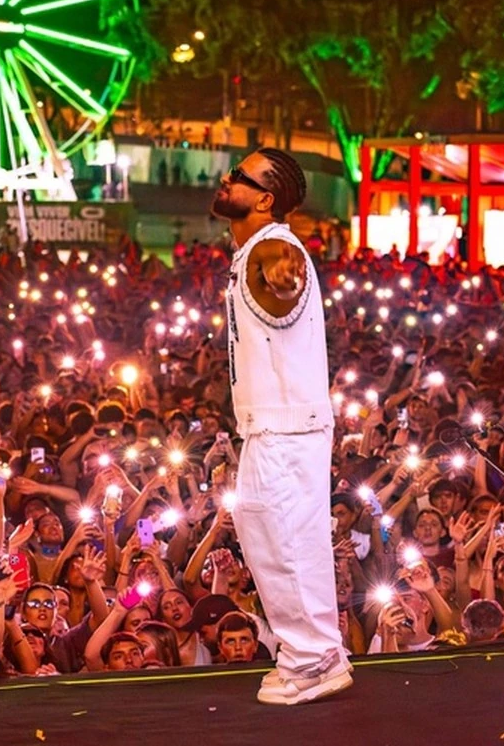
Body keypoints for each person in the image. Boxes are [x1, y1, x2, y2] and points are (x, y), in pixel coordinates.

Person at [210, 147, 351, 705]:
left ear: (264, 199)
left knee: (285, 546)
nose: (226, 178)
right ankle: (319, 654)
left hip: (285, 431)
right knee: (283, 542)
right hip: (282, 427)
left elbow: (280, 266)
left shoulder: (272, 248)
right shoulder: (251, 251)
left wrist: (282, 272)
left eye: (239, 176)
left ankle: (312, 661)